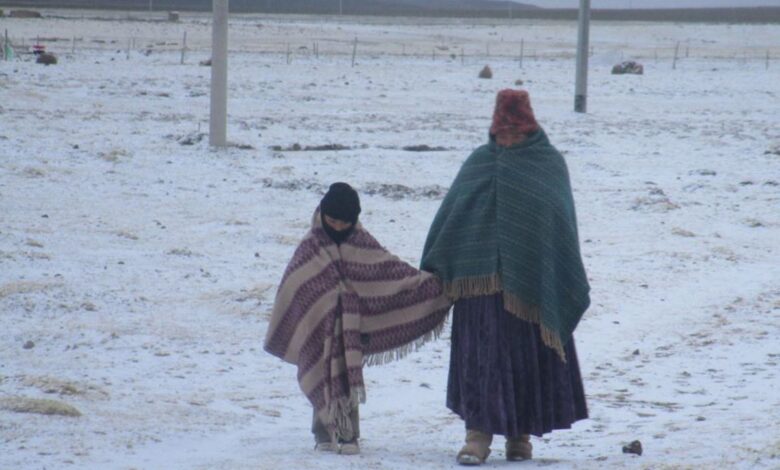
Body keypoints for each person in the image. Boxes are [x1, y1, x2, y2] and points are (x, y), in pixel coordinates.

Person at [421, 90, 590, 465]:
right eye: (503, 134)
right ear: (494, 131)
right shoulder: (479, 162)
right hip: (480, 288)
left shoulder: (548, 164)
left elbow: (557, 224)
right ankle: (477, 436)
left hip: (530, 289)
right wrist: (439, 263)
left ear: (530, 130)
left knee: (524, 361)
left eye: (516, 133)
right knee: (482, 362)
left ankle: (520, 436)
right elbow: (454, 215)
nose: (508, 141)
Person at [264, 182, 451, 456]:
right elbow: (294, 285)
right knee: (319, 364)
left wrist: (434, 287)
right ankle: (323, 431)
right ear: (323, 214)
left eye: (345, 223)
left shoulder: (362, 242)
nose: (338, 227)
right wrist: (322, 304)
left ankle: (348, 433)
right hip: (319, 324)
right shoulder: (309, 247)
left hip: (351, 327)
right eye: (332, 221)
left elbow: (391, 272)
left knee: (346, 368)